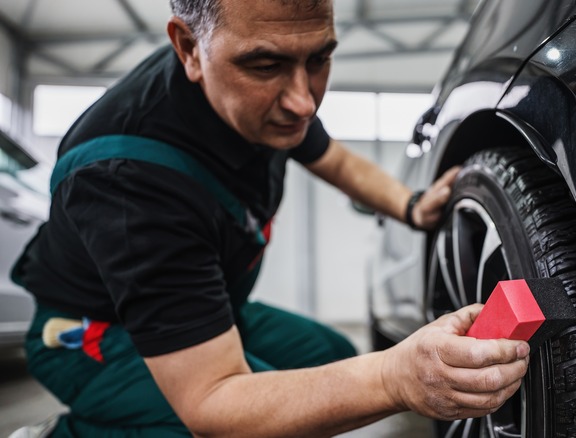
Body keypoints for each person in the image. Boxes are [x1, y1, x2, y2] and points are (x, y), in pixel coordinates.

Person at [11, 0, 531, 436]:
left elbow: (337, 162)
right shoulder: (127, 176)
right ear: (190, 48)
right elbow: (213, 401)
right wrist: (396, 378)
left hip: (212, 304)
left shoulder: (258, 89)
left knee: (329, 355)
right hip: (89, 335)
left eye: (320, 58)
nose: (304, 102)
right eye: (266, 66)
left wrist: (411, 204)